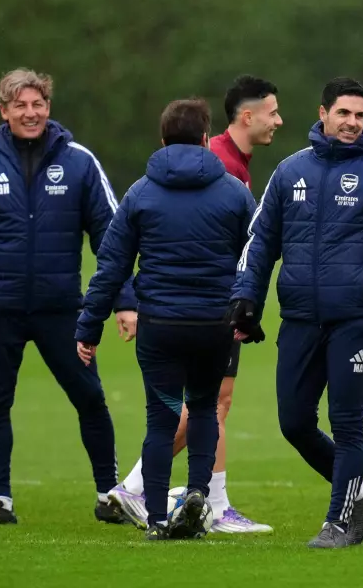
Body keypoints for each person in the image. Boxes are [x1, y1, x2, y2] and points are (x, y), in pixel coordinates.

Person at [228, 77, 363, 548]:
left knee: (348, 422)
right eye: (344, 113)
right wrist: (247, 297)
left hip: (354, 320)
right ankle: (360, 492)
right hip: (299, 318)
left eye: (360, 115)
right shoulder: (290, 171)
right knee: (294, 422)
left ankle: (338, 523)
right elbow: (261, 241)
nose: (352, 123)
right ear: (323, 114)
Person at [75, 98, 258, 540]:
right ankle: (197, 495)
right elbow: (254, 259)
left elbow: (111, 266)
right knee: (204, 409)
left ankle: (156, 518)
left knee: (160, 420)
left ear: (162, 140)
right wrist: (249, 313)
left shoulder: (141, 193)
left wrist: (89, 325)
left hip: (159, 325)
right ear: (205, 138)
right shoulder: (234, 192)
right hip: (214, 325)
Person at [108, 75, 281, 534]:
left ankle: (189, 499)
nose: (279, 121)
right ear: (246, 116)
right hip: (211, 310)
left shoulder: (224, 166)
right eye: (272, 112)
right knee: (211, 402)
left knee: (203, 404)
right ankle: (189, 499)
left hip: (170, 314)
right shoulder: (220, 169)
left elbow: (115, 256)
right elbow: (252, 249)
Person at [0, 68, 136, 525]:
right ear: (3, 111)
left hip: (63, 310)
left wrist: (125, 300)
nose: (31, 113)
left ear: (48, 107)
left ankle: (109, 496)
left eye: (38, 104)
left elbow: (112, 237)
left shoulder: (80, 162)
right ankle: (0, 501)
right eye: (20, 105)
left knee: (90, 399)